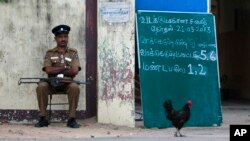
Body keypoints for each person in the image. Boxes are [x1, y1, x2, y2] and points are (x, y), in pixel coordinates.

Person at [35, 25, 81, 128]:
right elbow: (48, 69)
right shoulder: (50, 53)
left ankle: (71, 119)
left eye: (65, 36)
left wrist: (56, 69)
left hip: (67, 83)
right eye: (60, 37)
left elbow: (75, 70)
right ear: (55, 38)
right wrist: (65, 67)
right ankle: (43, 118)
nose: (63, 39)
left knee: (75, 87)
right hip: (51, 83)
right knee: (41, 86)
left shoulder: (73, 53)